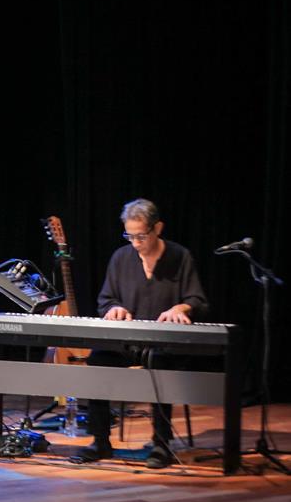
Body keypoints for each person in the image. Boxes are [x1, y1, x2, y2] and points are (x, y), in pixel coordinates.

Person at [76, 198, 209, 469]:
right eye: (129, 236)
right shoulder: (120, 258)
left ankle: (161, 444)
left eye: (141, 236)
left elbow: (198, 300)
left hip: (164, 345)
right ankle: (100, 441)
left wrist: (181, 307)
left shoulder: (180, 256)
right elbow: (105, 299)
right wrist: (114, 308)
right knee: (97, 360)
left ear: (157, 228)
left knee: (160, 364)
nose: (135, 243)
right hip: (127, 342)